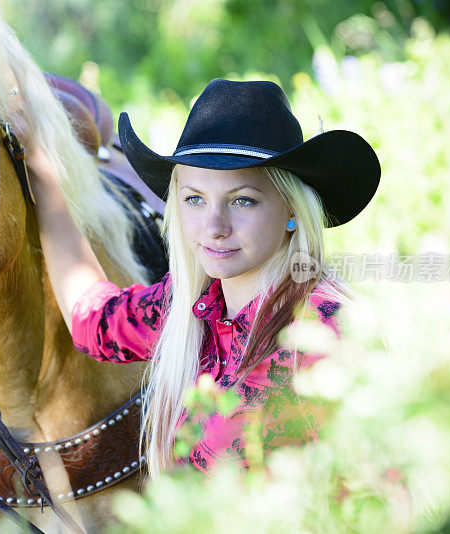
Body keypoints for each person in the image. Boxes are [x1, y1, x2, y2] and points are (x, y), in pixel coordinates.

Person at [28, 79, 380, 477]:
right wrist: (43, 173)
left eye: (242, 200)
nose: (214, 227)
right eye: (195, 199)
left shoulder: (325, 328)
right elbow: (92, 318)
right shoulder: (187, 308)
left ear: (292, 209)